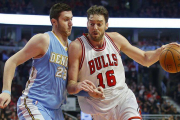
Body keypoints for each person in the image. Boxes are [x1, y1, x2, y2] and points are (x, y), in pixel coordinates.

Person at [67, 5, 180, 120]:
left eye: (99, 24)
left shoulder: (116, 39)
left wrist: (162, 50)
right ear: (87, 25)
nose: (95, 27)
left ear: (106, 25)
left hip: (123, 100)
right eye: (91, 24)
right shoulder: (77, 46)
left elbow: (145, 59)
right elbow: (70, 86)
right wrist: (82, 88)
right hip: (98, 109)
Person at [0, 3, 100, 120]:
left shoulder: (73, 48)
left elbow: (72, 86)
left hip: (56, 111)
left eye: (71, 19)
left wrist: (90, 93)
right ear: (54, 22)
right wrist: (6, 91)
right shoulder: (44, 40)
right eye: (66, 19)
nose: (70, 23)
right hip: (35, 104)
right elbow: (11, 61)